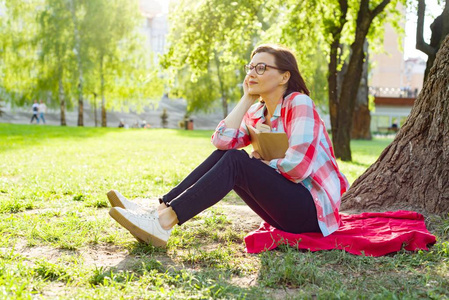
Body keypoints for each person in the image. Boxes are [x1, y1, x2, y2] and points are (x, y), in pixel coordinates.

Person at [107, 44, 349, 247]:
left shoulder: (299, 104)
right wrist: (246, 99)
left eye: (261, 68)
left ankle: (163, 223)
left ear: (285, 76)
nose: (252, 73)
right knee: (229, 154)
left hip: (312, 211)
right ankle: (159, 210)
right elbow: (222, 142)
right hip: (284, 207)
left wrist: (260, 162)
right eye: (250, 67)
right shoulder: (257, 111)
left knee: (237, 161)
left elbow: (298, 168)